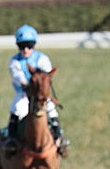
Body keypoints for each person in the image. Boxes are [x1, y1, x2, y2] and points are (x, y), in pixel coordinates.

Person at [5, 24, 70, 155]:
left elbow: (46, 76)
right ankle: (11, 139)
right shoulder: (14, 61)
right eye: (22, 46)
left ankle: (59, 137)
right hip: (23, 94)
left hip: (40, 95)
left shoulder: (42, 58)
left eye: (29, 45)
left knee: (51, 109)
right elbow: (19, 77)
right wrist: (27, 85)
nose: (25, 49)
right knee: (16, 108)